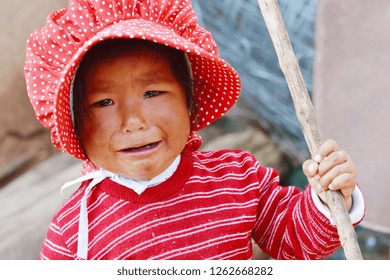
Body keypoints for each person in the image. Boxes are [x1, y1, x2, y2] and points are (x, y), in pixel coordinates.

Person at [24, 0, 364, 260]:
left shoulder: (236, 179)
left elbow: (295, 240)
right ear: (73, 124)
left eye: (152, 93)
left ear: (190, 101)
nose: (133, 121)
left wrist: (327, 198)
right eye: (103, 103)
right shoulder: (74, 234)